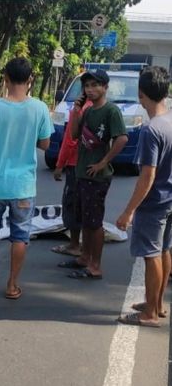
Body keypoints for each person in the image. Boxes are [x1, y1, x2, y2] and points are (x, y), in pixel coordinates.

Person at [0, 57, 52, 300]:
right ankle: (12, 285)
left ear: (5, 79)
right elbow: (46, 144)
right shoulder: (40, 108)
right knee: (20, 236)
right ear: (30, 80)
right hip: (24, 187)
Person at [115, 66, 172, 327]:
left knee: (151, 254)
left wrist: (128, 211)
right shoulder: (170, 121)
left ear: (141, 94)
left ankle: (149, 313)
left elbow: (147, 176)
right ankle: (157, 304)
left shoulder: (151, 130)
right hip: (169, 199)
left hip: (156, 202)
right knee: (164, 250)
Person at [65, 68, 128, 280]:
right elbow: (74, 135)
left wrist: (103, 162)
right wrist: (76, 110)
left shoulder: (111, 111)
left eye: (95, 85)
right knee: (84, 220)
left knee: (95, 223)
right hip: (82, 172)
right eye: (87, 86)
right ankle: (84, 257)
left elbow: (122, 138)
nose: (90, 90)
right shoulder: (88, 112)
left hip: (97, 177)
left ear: (105, 87)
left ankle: (95, 265)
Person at [52, 99, 93, 257]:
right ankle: (86, 248)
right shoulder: (101, 109)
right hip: (92, 166)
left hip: (75, 164)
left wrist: (59, 165)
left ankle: (75, 244)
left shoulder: (79, 111)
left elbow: (70, 140)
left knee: (73, 205)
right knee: (87, 206)